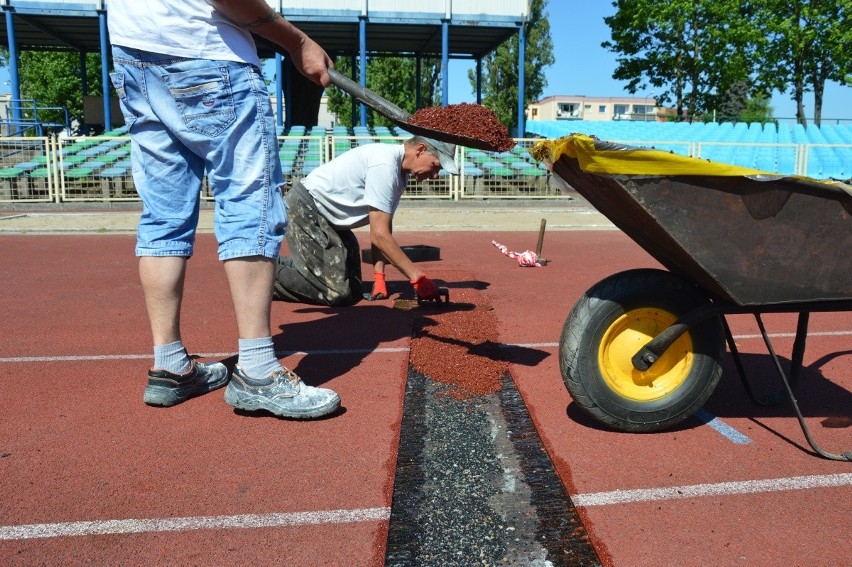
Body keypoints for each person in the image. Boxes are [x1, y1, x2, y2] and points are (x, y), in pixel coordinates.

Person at [107, 0, 340, 419]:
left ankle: (170, 365)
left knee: (163, 216)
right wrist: (297, 41)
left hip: (133, 56)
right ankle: (257, 370)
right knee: (250, 203)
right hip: (208, 54)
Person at [273, 136, 458, 306]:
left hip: (331, 220)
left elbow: (384, 228)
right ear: (420, 149)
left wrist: (379, 277)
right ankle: (263, 275)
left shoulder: (399, 174)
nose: (435, 175)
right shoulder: (384, 166)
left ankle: (294, 264)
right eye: (435, 165)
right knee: (335, 293)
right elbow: (379, 236)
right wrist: (417, 278)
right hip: (307, 208)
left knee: (354, 288)